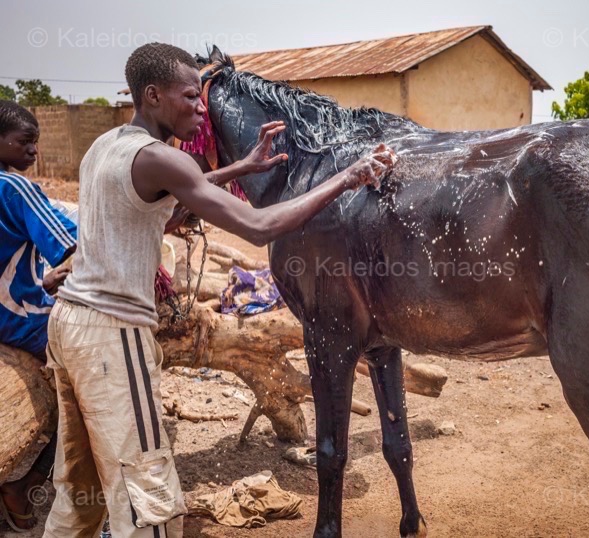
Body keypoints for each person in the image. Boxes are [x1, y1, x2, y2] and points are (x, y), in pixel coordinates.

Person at [44, 42, 395, 538]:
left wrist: (243, 168)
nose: (200, 107)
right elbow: (256, 226)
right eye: (189, 96)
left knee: (79, 495)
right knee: (153, 502)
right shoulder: (160, 158)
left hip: (69, 324)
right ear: (152, 95)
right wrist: (346, 177)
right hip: (111, 337)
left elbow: (175, 196)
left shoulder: (109, 146)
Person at [0, 100, 77, 532]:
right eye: (24, 142)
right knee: (94, 391)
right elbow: (75, 248)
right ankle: (27, 484)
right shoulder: (15, 188)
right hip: (20, 316)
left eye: (36, 142)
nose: (34, 152)